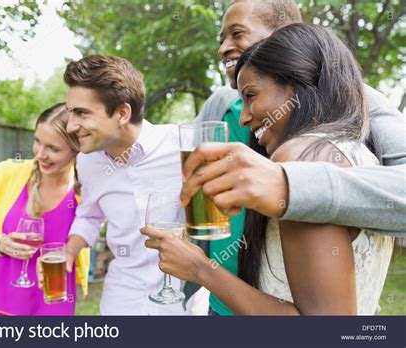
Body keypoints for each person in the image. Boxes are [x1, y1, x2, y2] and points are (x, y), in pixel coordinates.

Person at [143, 22, 395, 315]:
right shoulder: (357, 151)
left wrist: (200, 269)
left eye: (250, 96)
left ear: (298, 83)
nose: (244, 118)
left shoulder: (301, 155)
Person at [37, 55, 188, 315]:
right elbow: (90, 215)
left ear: (122, 112)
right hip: (122, 297)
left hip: (184, 299)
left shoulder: (181, 146)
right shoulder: (87, 162)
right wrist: (69, 252)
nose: (71, 126)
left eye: (82, 113)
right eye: (71, 112)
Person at [0, 103, 89, 316]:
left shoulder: (87, 195)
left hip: (50, 306)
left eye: (53, 148)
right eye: (37, 142)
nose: (40, 154)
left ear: (77, 149)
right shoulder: (5, 173)